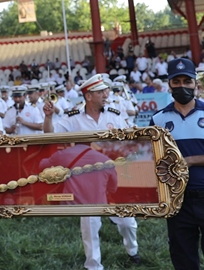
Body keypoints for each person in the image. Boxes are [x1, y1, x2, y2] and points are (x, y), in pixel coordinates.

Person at [43, 75, 140, 269]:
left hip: (115, 175)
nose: (106, 95)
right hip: (87, 180)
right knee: (89, 225)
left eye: (106, 91)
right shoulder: (73, 117)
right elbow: (49, 136)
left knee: (127, 222)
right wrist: (48, 116)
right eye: (101, 92)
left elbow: (130, 138)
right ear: (88, 96)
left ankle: (133, 251)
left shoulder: (114, 114)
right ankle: (93, 265)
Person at [150, 58, 204, 270]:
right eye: (176, 81)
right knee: (183, 261)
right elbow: (152, 160)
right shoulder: (157, 120)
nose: (182, 86)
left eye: (187, 81)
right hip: (177, 201)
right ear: (169, 85)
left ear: (196, 84)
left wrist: (190, 161)